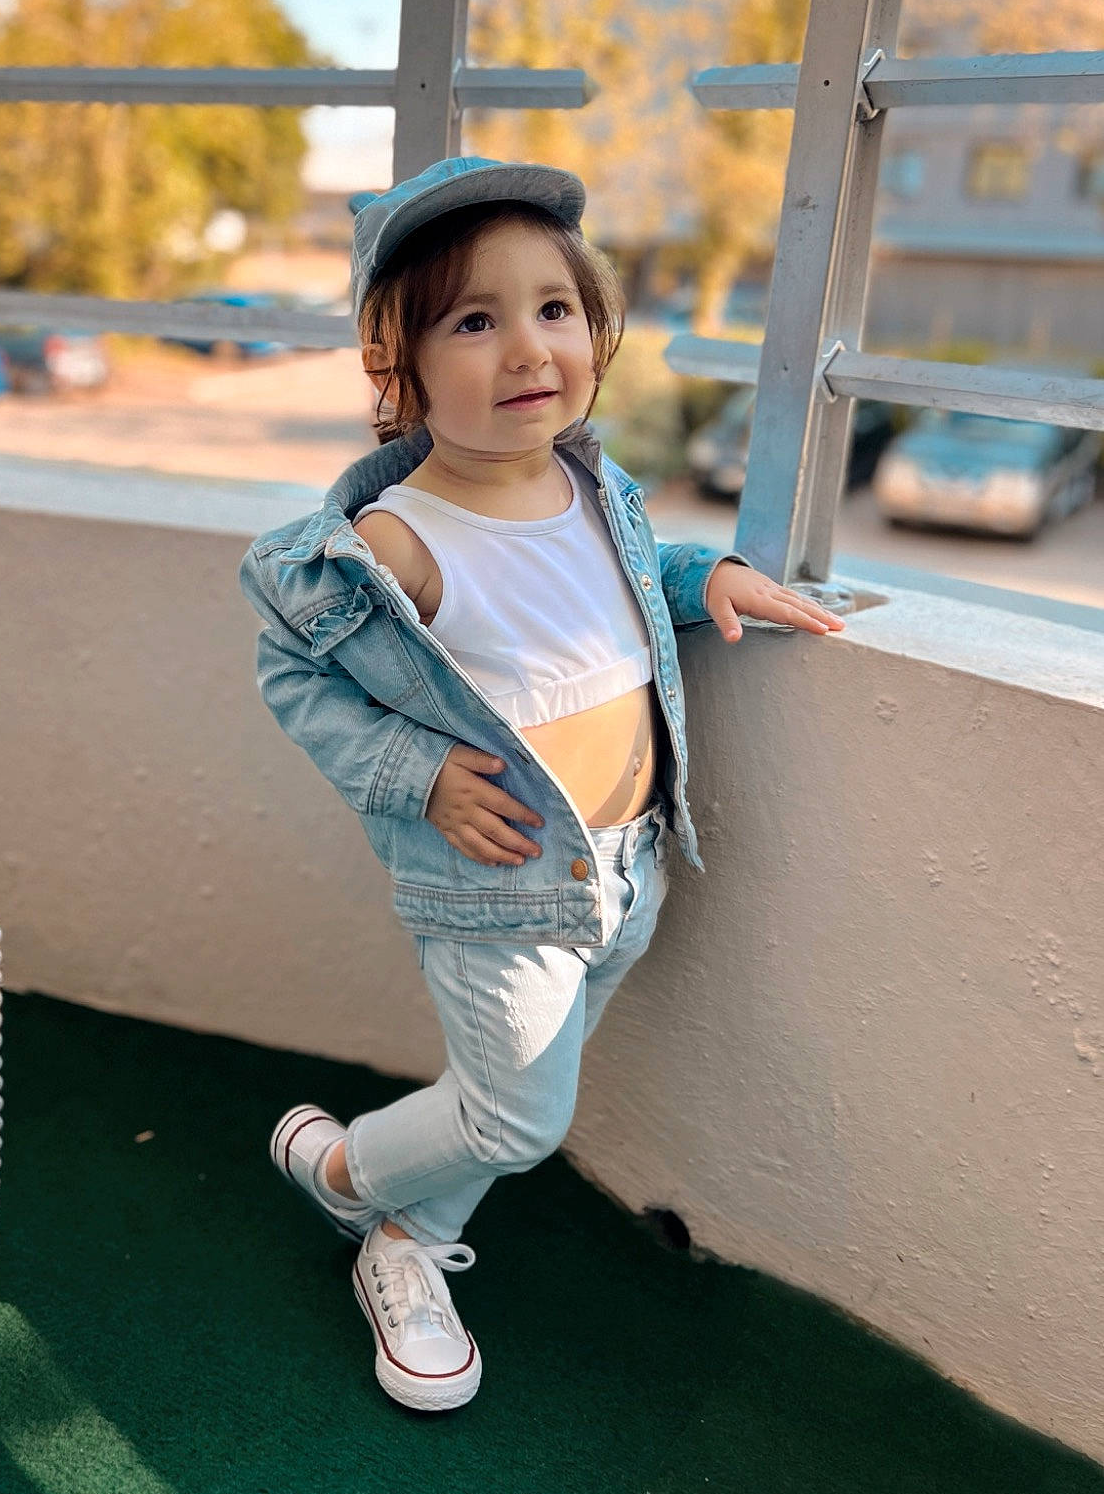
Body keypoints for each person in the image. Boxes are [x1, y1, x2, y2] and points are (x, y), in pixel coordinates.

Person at [239, 156, 844, 1413]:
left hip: (629, 870)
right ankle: (348, 1171)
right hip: (500, 888)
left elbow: (621, 580)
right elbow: (290, 674)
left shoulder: (586, 482)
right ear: (393, 363)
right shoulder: (398, 540)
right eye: (474, 318)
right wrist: (413, 772)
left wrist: (703, 580)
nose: (527, 348)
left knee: (500, 1100)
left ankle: (402, 1249)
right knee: (519, 1121)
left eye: (552, 309)